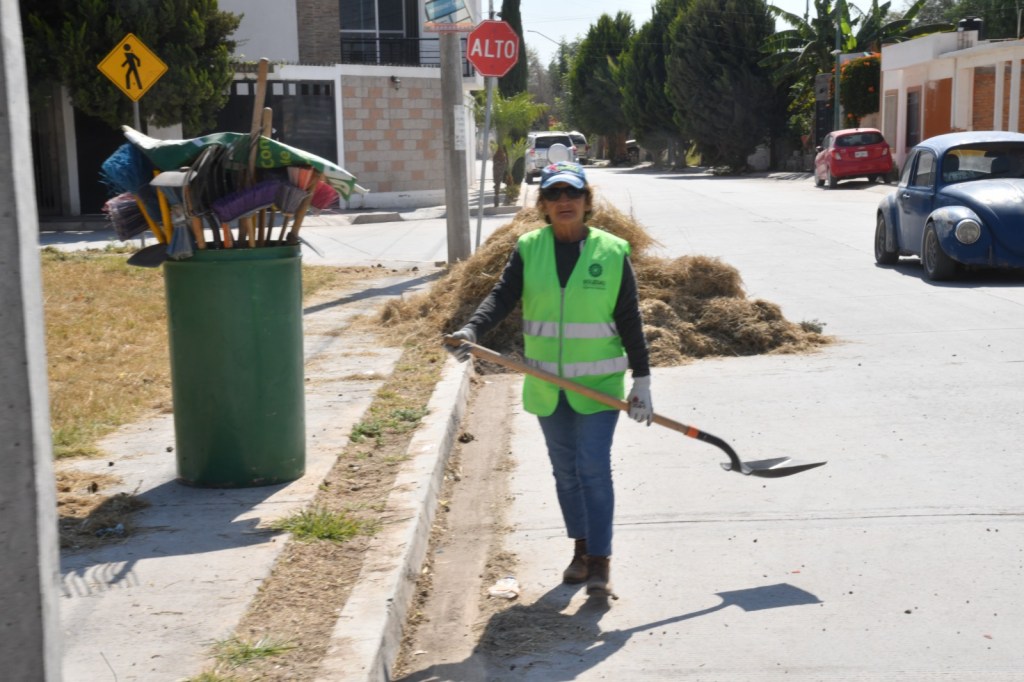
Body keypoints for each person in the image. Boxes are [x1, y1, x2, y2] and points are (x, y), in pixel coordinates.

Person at [444, 161, 653, 598]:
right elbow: (502, 297)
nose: (564, 202)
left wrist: (643, 379)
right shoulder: (529, 248)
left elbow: (630, 318)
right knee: (565, 473)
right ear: (542, 204)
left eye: (572, 194)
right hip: (545, 383)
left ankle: (601, 561)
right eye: (554, 195)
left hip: (598, 387)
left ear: (586, 202)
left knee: (593, 468)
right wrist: (471, 331)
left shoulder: (613, 252)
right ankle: (580, 550)